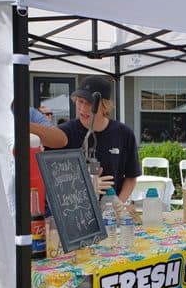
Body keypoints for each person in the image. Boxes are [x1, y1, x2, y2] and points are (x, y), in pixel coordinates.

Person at [30, 75, 140, 204]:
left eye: (89, 103)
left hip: (110, 214)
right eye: (80, 101)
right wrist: (86, 185)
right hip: (74, 212)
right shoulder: (66, 132)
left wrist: (118, 205)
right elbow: (53, 179)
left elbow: (131, 176)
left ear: (104, 105)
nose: (82, 109)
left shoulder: (124, 134)